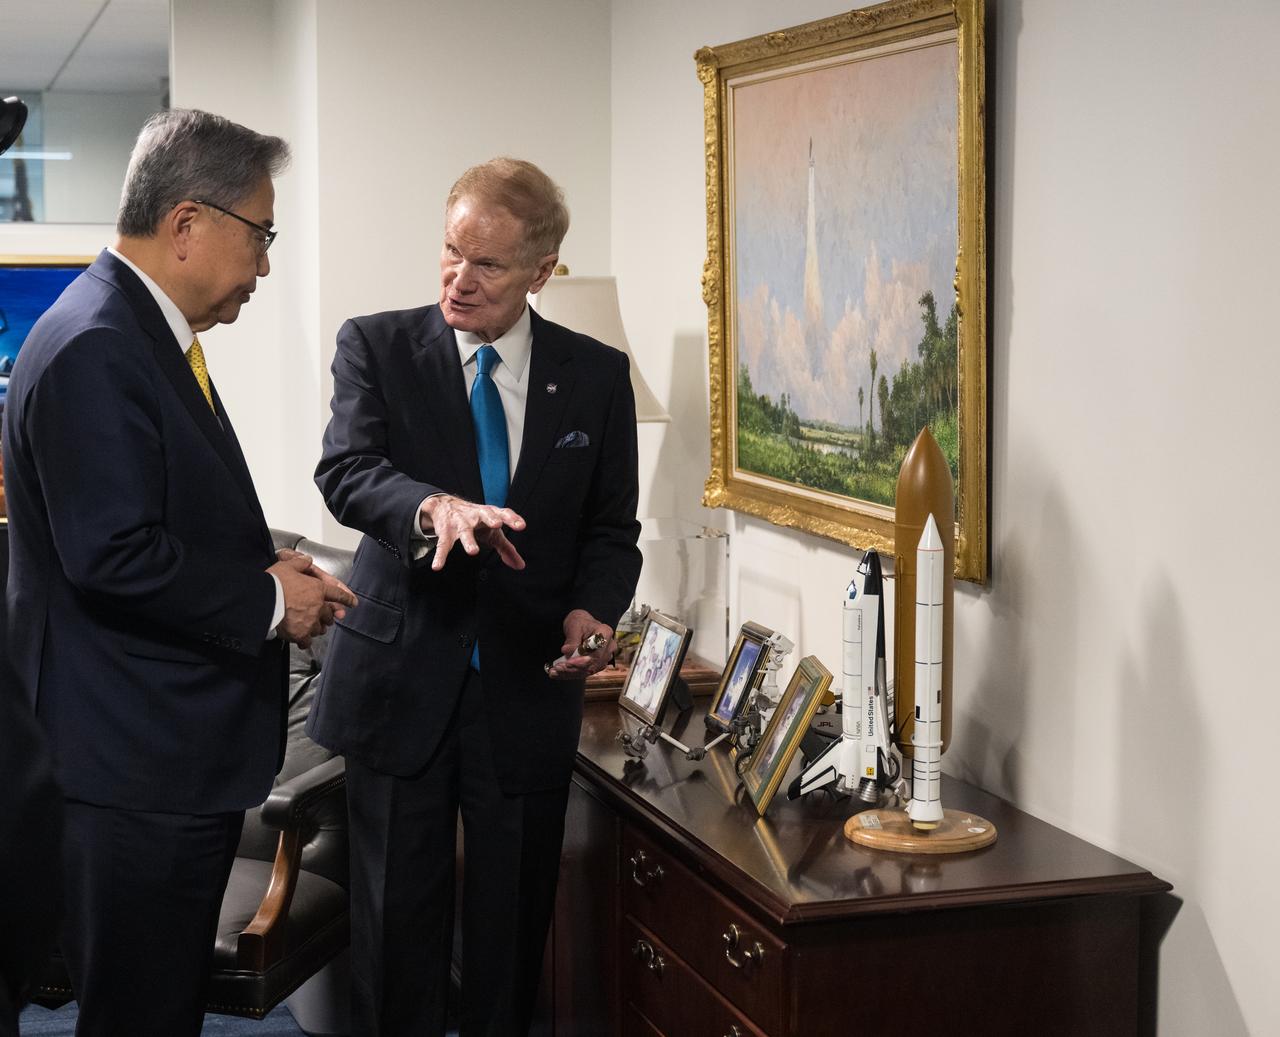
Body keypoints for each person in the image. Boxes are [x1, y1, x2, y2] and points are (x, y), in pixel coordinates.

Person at [1, 108, 356, 1037]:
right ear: (188, 224)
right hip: (132, 767)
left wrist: (255, 558)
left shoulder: (125, 329)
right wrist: (275, 599)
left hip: (149, 754)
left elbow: (147, 516)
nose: (266, 266)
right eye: (262, 235)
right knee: (138, 1016)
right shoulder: (99, 344)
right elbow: (112, 554)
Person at [308, 157, 642, 1035]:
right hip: (399, 678)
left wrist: (593, 610)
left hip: (525, 689)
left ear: (542, 271)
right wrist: (431, 506)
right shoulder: (376, 345)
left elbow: (613, 530)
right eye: (451, 252)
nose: (460, 279)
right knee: (393, 931)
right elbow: (347, 471)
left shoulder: (599, 376)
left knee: (509, 932)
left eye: (487, 265)